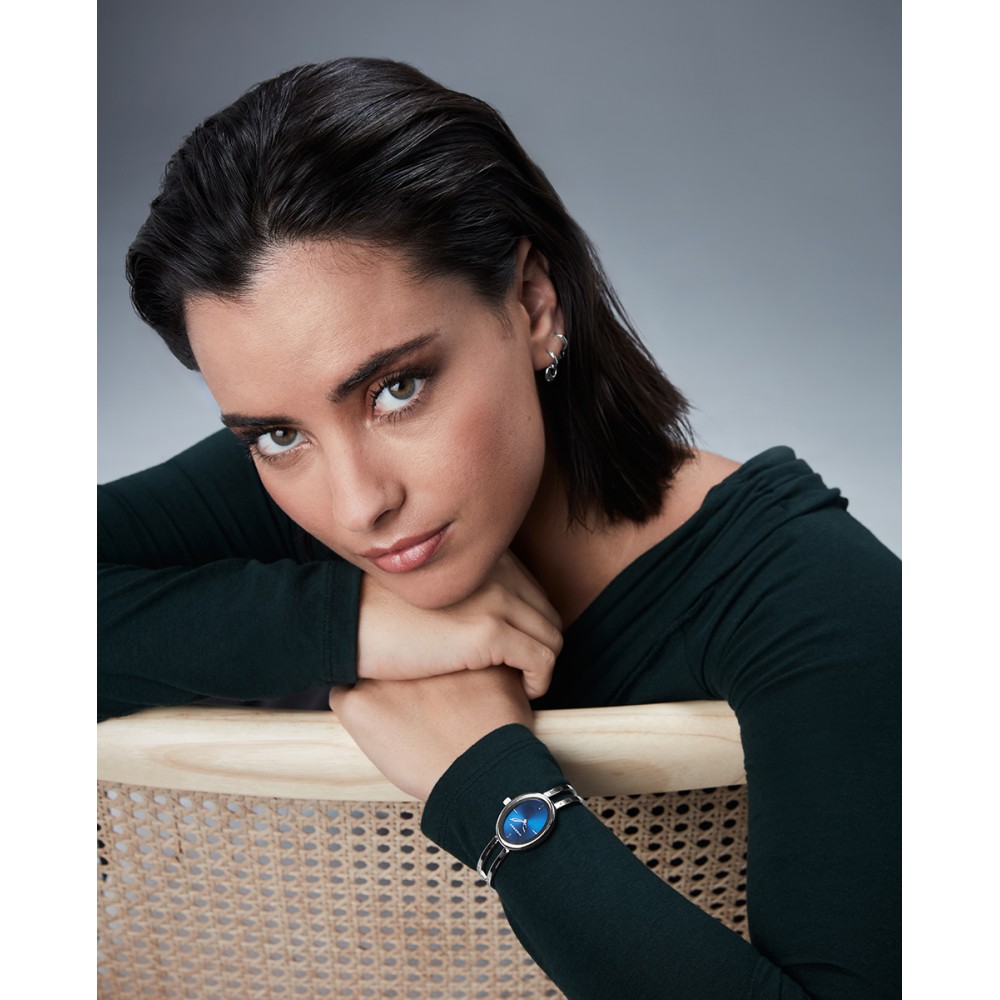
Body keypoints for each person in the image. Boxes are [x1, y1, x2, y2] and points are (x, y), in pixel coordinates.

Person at [98, 57, 900, 998]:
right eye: (276, 434)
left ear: (532, 303)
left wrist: (496, 792)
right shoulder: (317, 497)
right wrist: (346, 620)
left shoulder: (817, 597)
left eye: (397, 388)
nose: (356, 506)